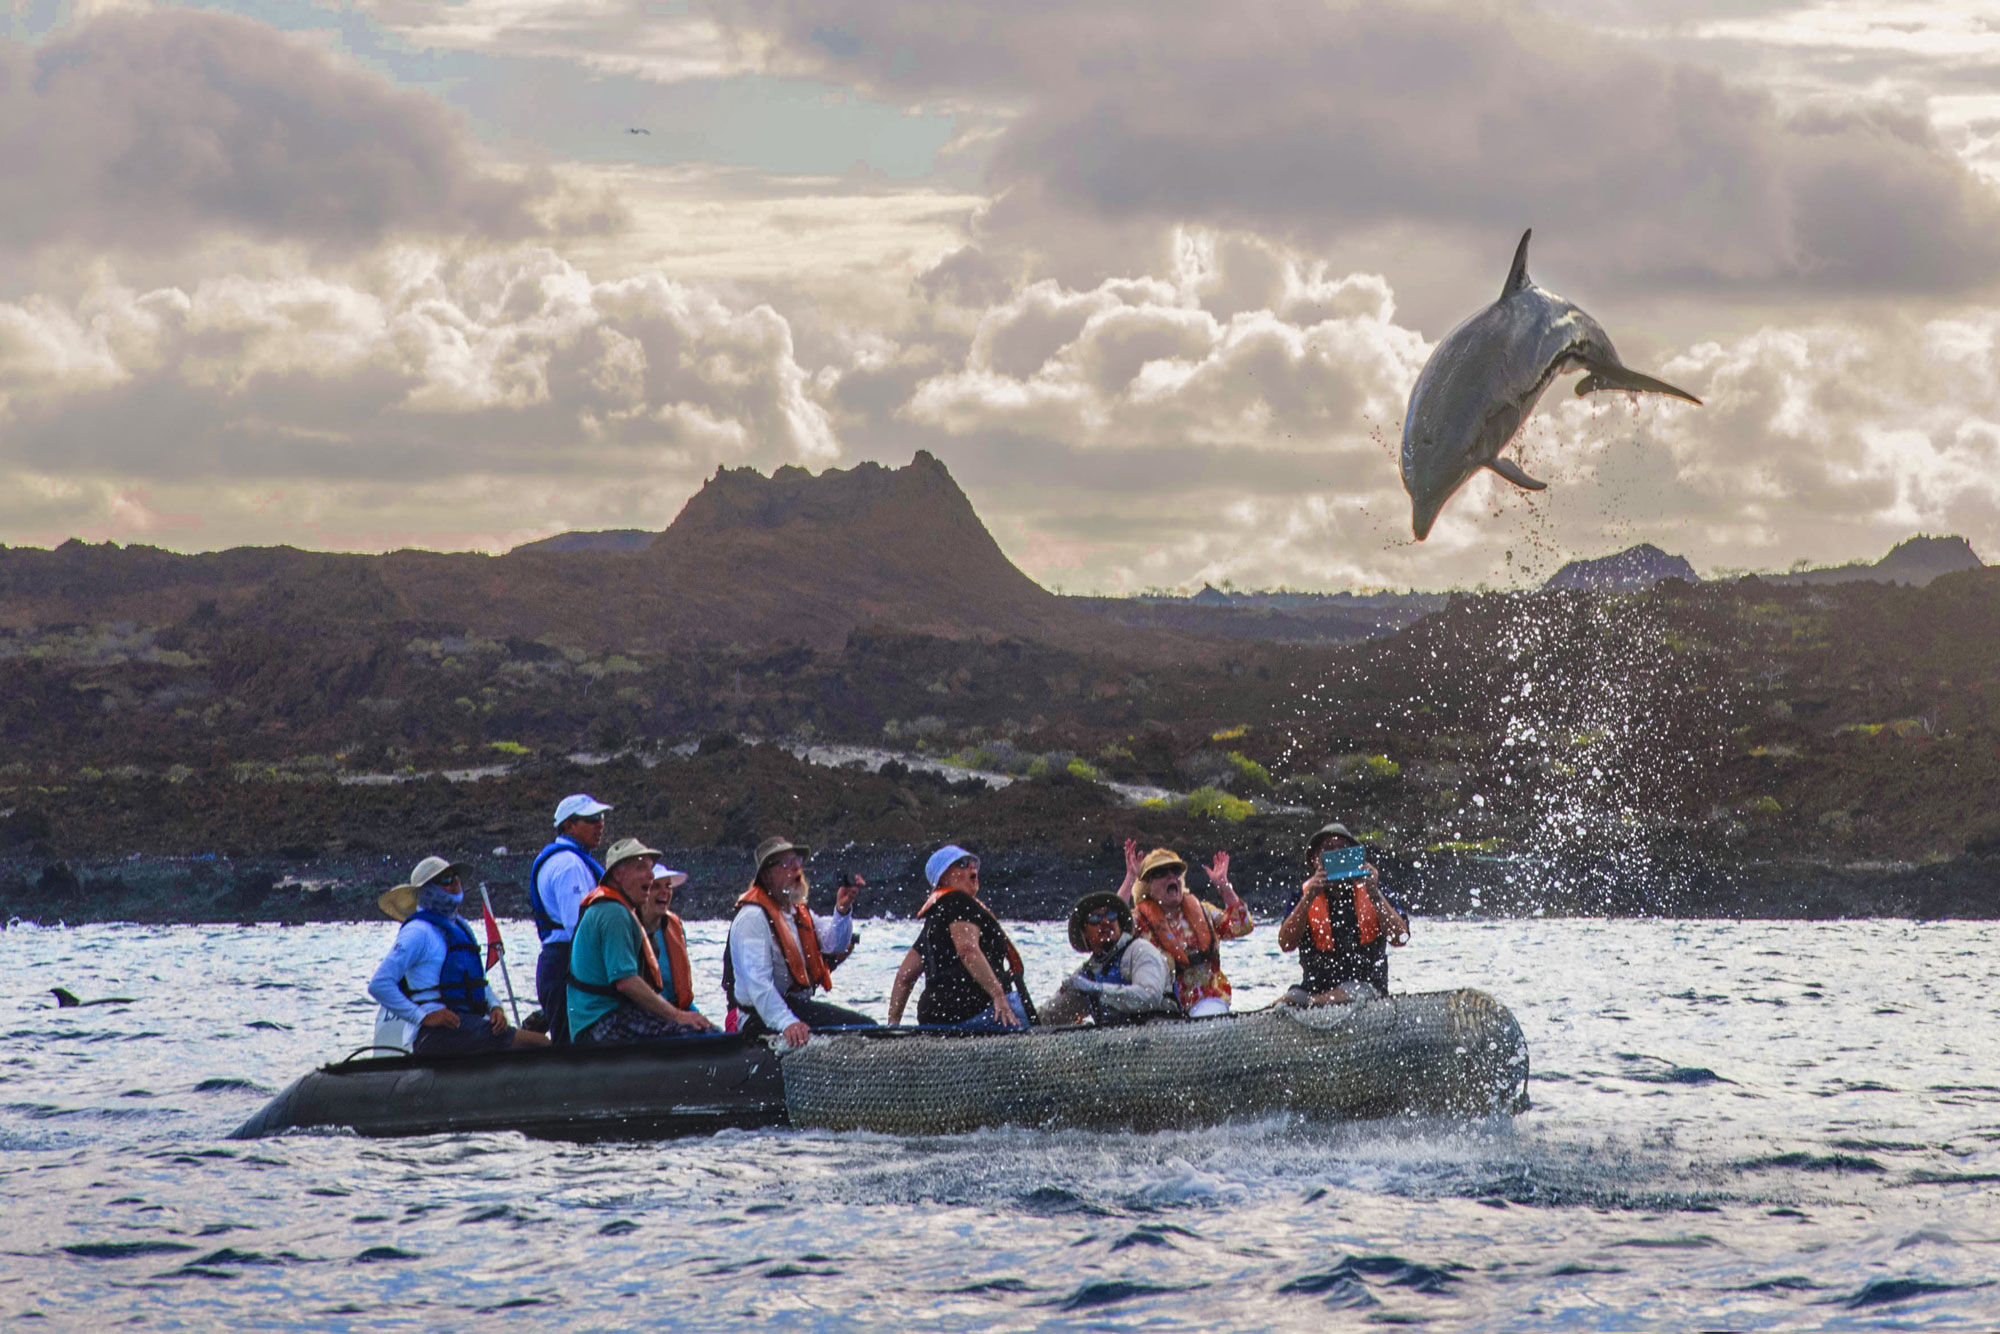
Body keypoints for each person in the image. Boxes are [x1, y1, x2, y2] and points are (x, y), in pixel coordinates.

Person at [369, 856, 549, 1054]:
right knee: (541, 1043)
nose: (455, 884)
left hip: (468, 1025)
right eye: (446, 880)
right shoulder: (418, 932)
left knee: (530, 1040)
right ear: (427, 890)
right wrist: (422, 1017)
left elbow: (478, 982)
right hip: (438, 1033)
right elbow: (379, 984)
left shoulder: (460, 928)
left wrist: (495, 1007)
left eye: (456, 878)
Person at [725, 836, 873, 1048]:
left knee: (866, 1028)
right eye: (786, 864)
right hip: (758, 1017)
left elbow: (835, 945)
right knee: (863, 1027)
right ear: (767, 877)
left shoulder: (797, 912)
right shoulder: (752, 918)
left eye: (797, 861)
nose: (797, 868)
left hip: (796, 1007)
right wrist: (787, 1023)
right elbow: (758, 984)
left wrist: (843, 909)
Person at [567, 840, 716, 1044]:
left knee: (701, 1029)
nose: (650, 875)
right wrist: (678, 1016)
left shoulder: (619, 910)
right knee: (697, 1036)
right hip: (600, 1022)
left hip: (609, 1016)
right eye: (641, 868)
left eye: (650, 869)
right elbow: (626, 982)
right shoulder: (614, 913)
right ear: (618, 875)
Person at [886, 845, 1032, 1031]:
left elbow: (904, 977)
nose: (972, 867)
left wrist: (892, 1025)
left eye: (973, 864)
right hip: (977, 1011)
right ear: (943, 877)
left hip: (934, 1017)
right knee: (1040, 1023)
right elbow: (967, 950)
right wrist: (998, 996)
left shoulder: (934, 920)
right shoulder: (959, 902)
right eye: (962, 864)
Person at [1277, 821, 1410, 1005]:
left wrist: (1375, 894)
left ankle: (1315, 1004)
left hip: (1366, 990)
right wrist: (1308, 899)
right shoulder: (1303, 896)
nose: (1337, 856)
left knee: (1341, 994)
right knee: (1286, 1002)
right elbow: (1285, 944)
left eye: (1343, 850)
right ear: (1315, 859)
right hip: (1313, 991)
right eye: (1329, 849)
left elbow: (1400, 938)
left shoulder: (1373, 889)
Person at [1116, 842, 1253, 1017]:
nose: (1171, 877)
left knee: (1208, 1016)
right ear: (1147, 886)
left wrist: (1224, 887)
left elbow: (1243, 925)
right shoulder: (1138, 920)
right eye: (1161, 873)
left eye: (1176, 872)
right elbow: (1113, 927)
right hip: (1159, 1004)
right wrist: (1130, 878)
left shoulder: (1205, 911)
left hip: (1207, 998)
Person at [528, 793, 613, 1045]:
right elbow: (579, 928)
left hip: (562, 961)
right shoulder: (569, 865)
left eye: (601, 818)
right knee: (572, 1045)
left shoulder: (568, 859)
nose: (600, 824)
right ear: (569, 825)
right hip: (566, 962)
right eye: (592, 819)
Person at [1039, 892, 1176, 1028]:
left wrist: (1097, 989)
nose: (1105, 922)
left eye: (1111, 915)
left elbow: (1149, 998)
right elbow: (1048, 1017)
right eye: (1095, 918)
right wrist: (1021, 1015)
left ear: (1120, 924)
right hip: (1120, 1043)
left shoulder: (1141, 950)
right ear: (1084, 933)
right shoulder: (1085, 975)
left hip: (1163, 1032)